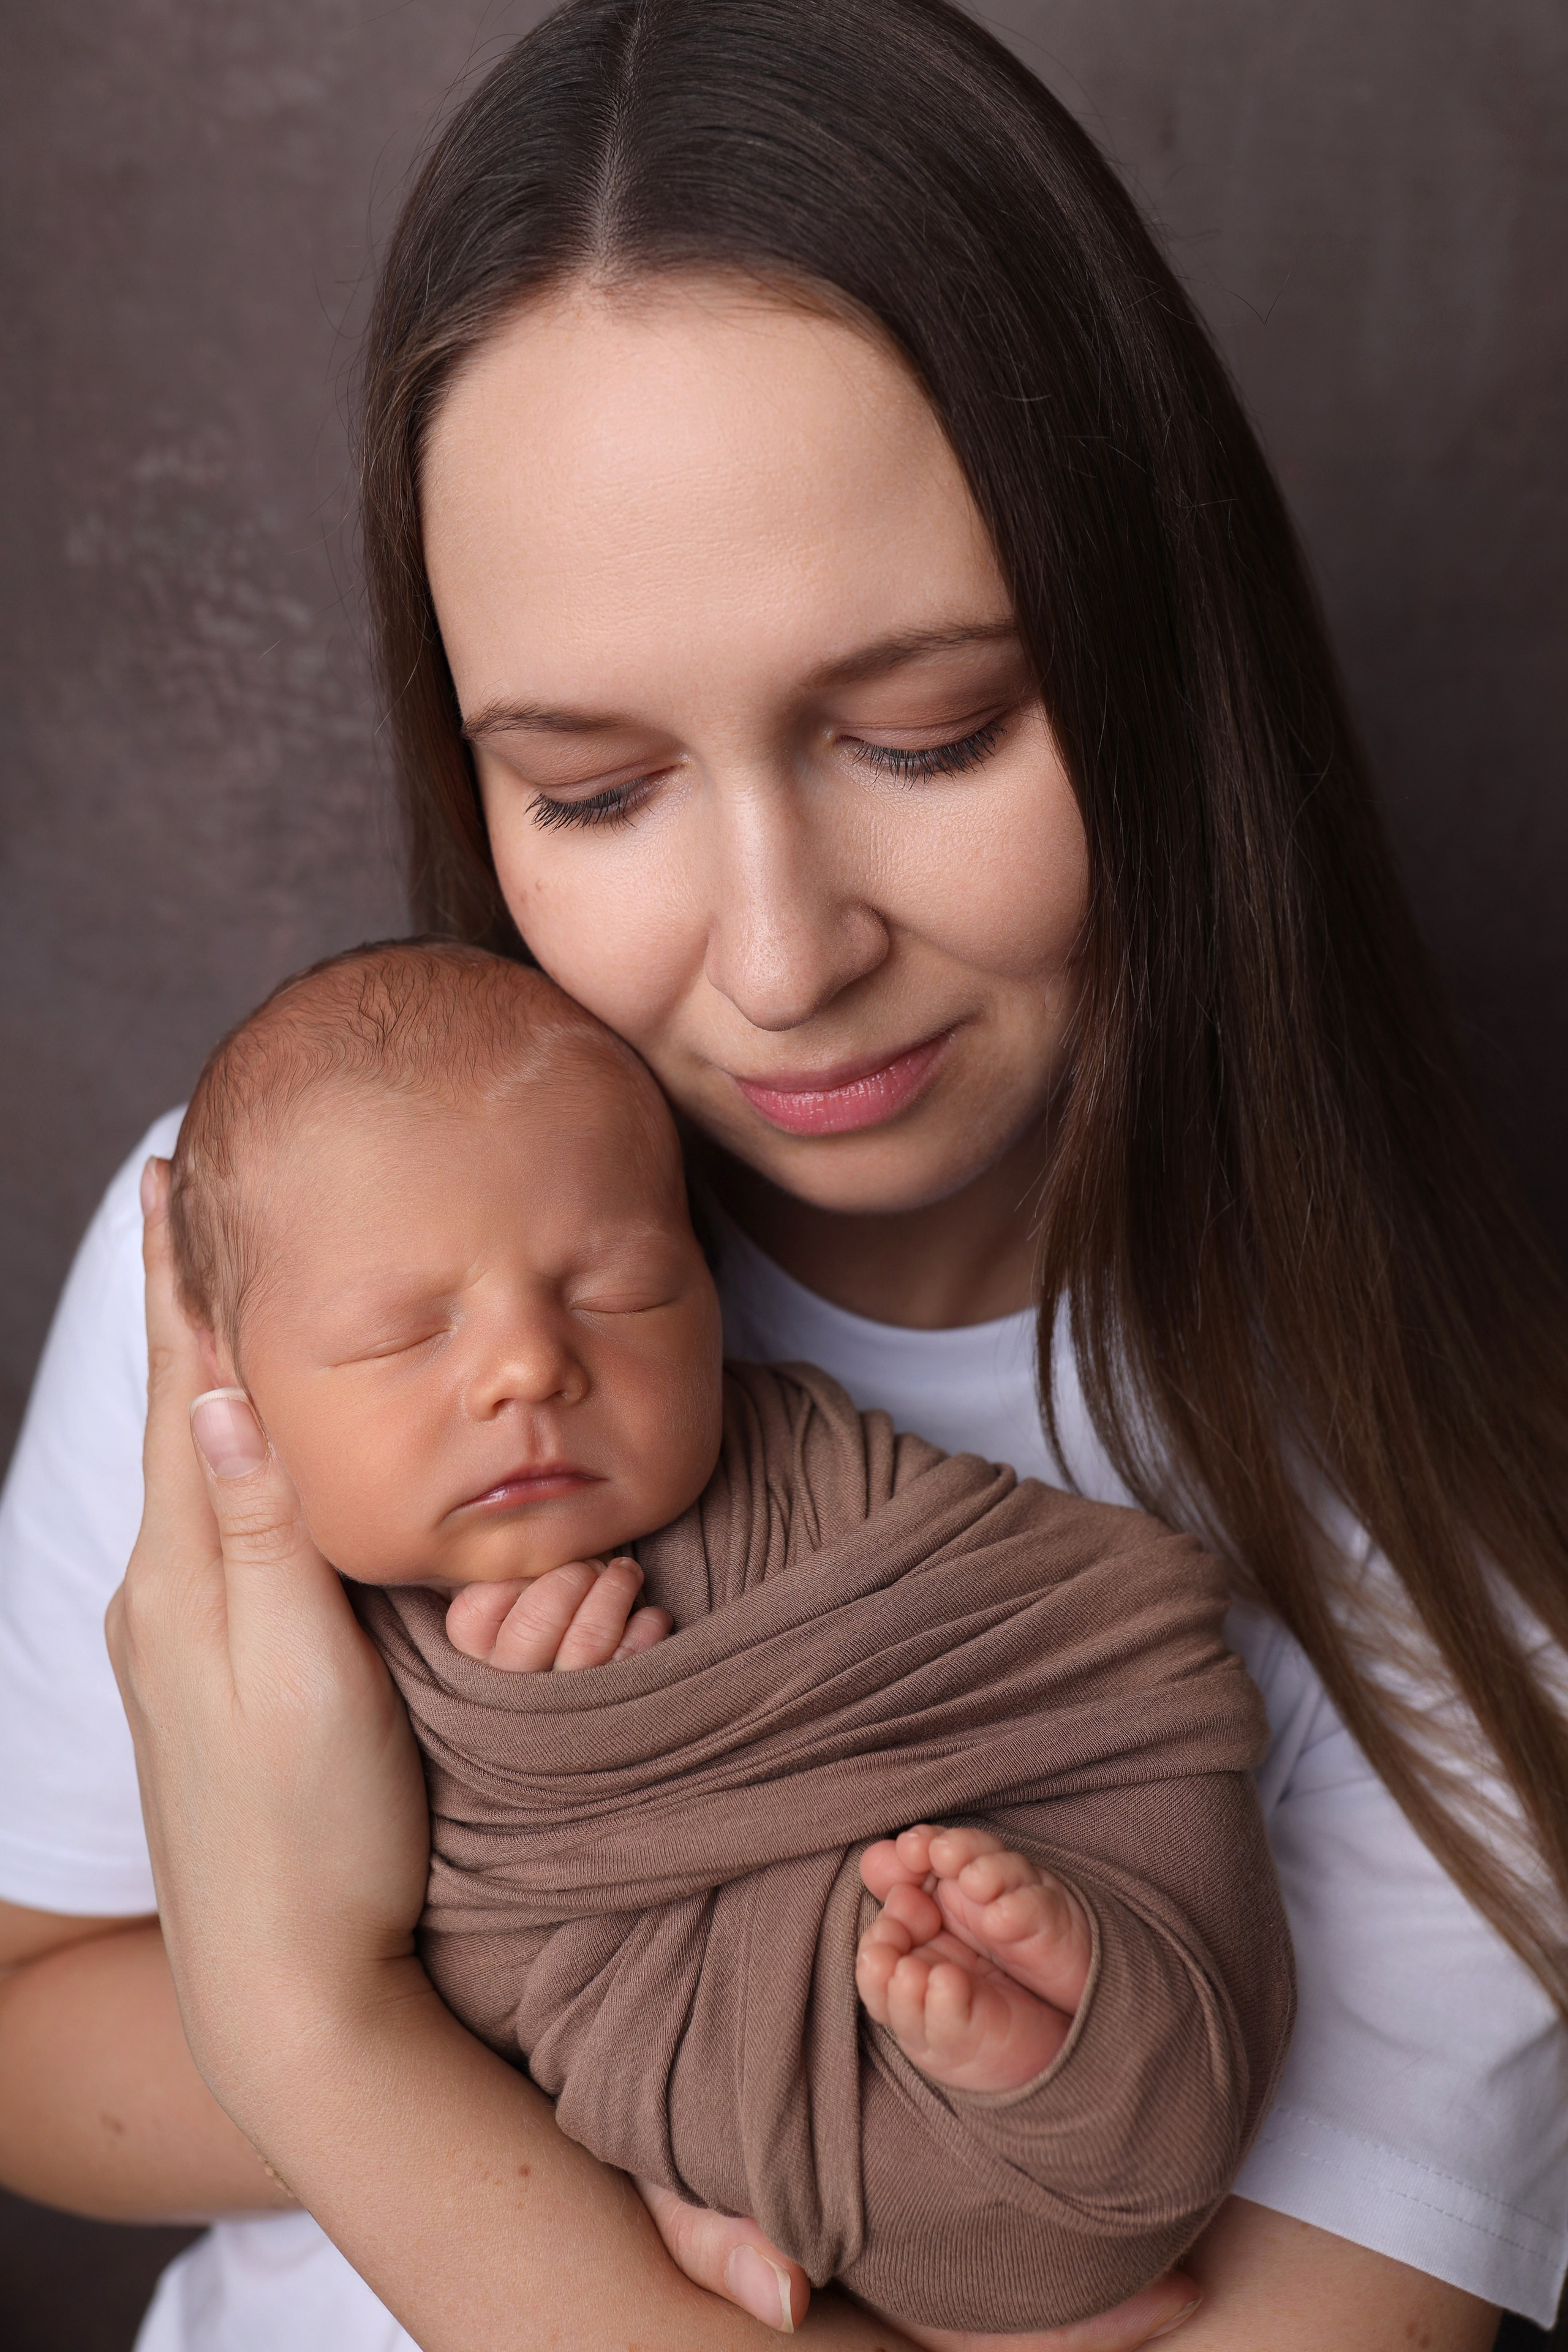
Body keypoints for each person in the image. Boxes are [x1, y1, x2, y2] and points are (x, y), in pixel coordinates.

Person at [1, 1, 1565, 2347]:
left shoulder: (1443, 1531)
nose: (777, 954)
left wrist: (332, 2013)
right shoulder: (274, 1249)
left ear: (1164, 659)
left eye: (927, 735)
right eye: (595, 790)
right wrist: (641, 2058)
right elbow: (27, 2023)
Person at [159, 933, 1292, 2344]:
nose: (528, 1365)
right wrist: (551, 1761)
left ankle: (1064, 2028)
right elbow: (484, 1958)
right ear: (227, 1379)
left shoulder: (818, 1477)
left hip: (1020, 1945)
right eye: (400, 1337)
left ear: (708, 1293)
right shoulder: (248, 1642)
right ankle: (1018, 2051)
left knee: (973, 1926)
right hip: (737, 2092)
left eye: (620, 1293)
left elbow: (1081, 1637)